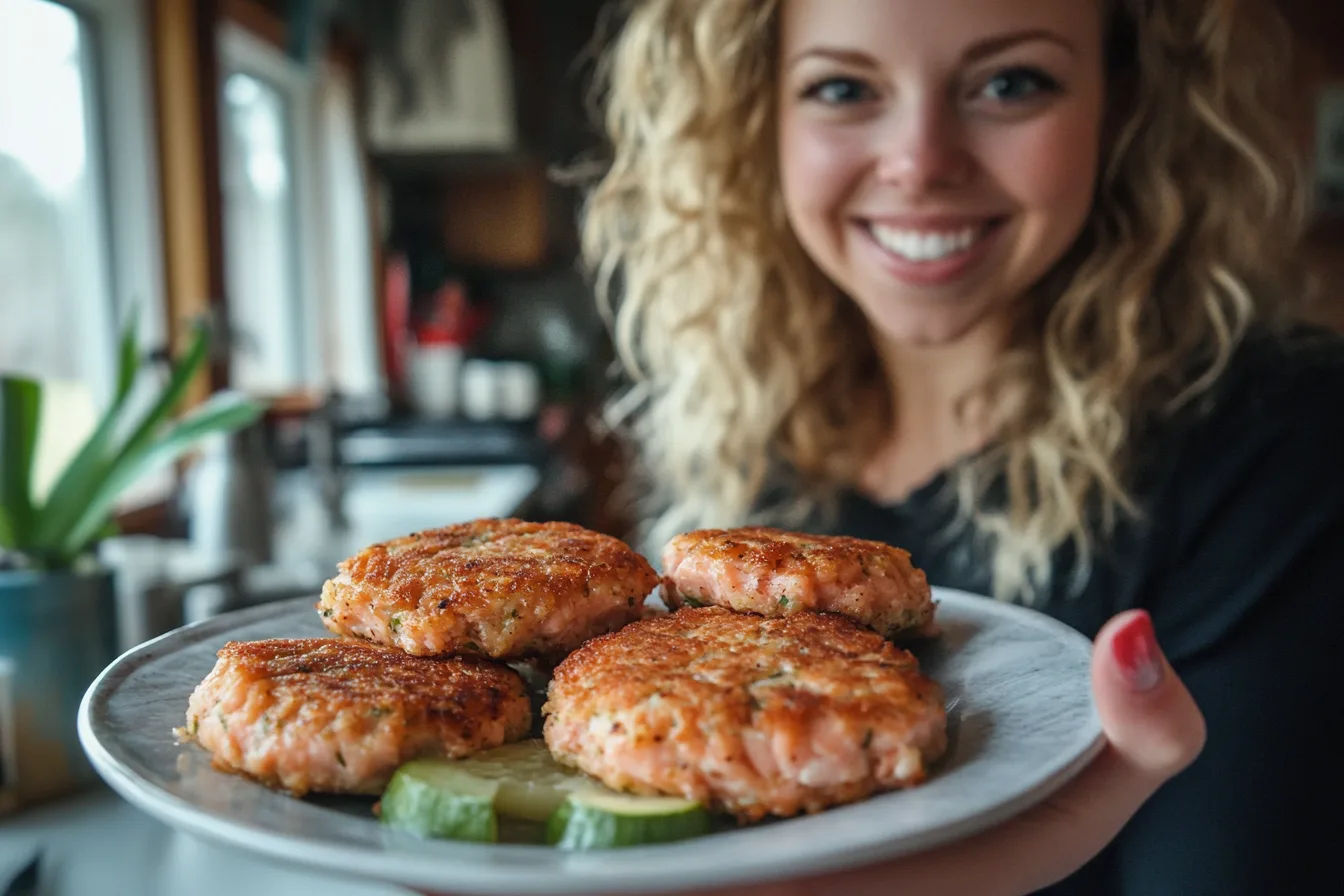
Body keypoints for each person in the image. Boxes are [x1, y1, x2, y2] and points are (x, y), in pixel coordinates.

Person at [574, 0, 1344, 893]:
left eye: (1011, 83)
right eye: (843, 87)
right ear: (758, 119)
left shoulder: (1287, 440)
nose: (920, 163)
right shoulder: (742, 443)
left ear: (1126, 103)